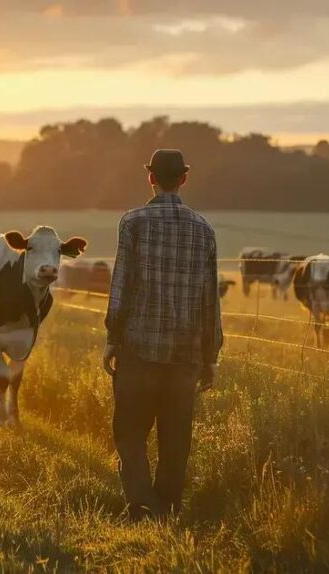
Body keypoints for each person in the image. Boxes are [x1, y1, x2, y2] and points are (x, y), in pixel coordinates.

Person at [103, 149, 224, 520]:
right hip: (185, 353)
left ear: (150, 177)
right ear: (184, 179)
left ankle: (142, 506)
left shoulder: (133, 223)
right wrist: (210, 355)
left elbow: (122, 283)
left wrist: (112, 337)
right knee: (176, 438)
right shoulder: (204, 229)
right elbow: (210, 299)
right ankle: (167, 506)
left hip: (139, 346)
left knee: (130, 431)